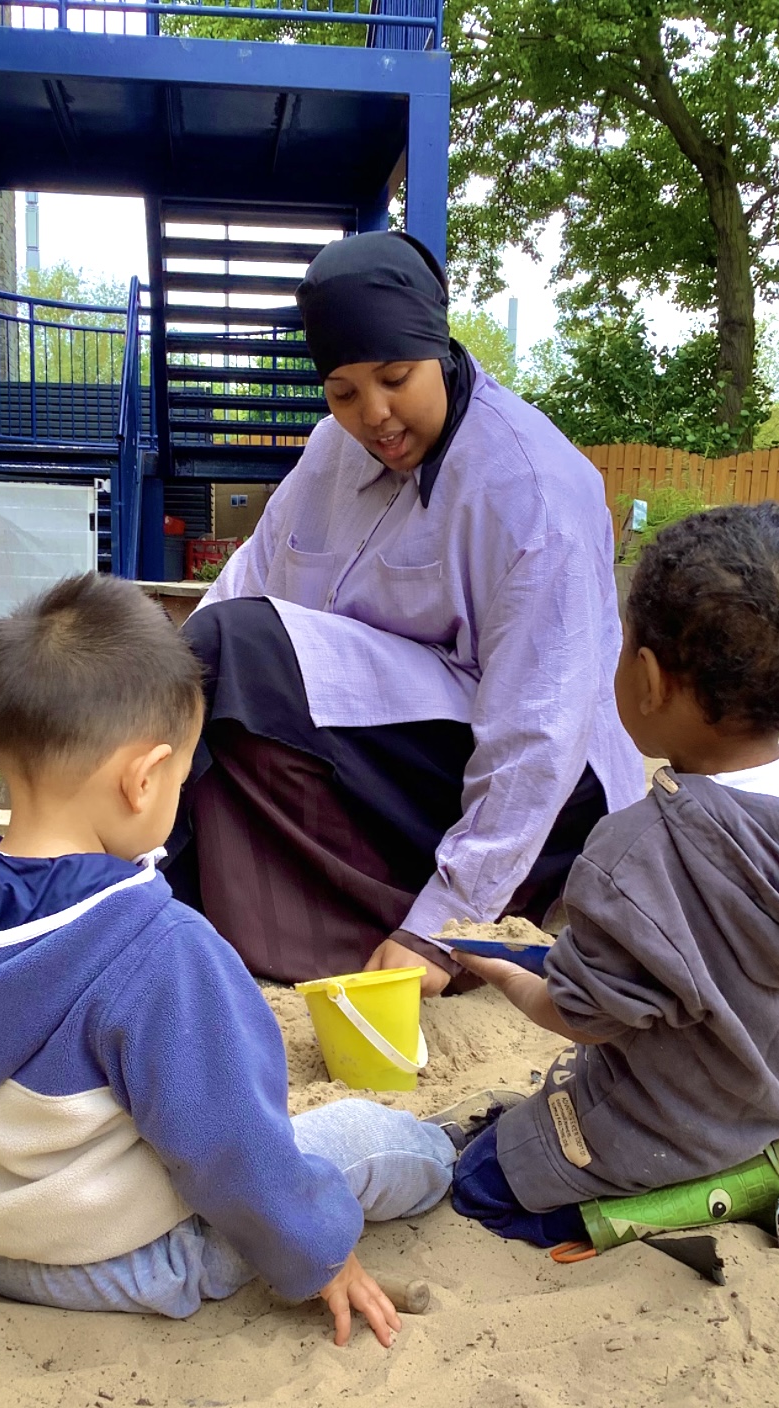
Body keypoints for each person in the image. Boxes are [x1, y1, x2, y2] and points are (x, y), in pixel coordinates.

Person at [0, 574, 502, 1345]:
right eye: (182, 778)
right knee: (357, 1138)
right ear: (143, 776)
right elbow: (229, 1150)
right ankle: (451, 1149)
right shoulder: (156, 947)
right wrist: (320, 1259)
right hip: (120, 1257)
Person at [165, 231, 645, 994]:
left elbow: (539, 730)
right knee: (204, 664)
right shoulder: (330, 450)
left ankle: (400, 925)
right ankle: (157, 916)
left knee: (234, 645)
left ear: (439, 346)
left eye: (395, 378)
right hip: (396, 748)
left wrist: (443, 923)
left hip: (544, 798)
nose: (375, 416)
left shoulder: (532, 491)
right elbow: (250, 577)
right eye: (344, 392)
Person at [449, 502, 779, 1246]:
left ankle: (749, 1181)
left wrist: (504, 974)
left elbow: (583, 1020)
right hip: (776, 1082)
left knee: (480, 1187)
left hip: (669, 1121)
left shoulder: (632, 852)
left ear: (650, 678)